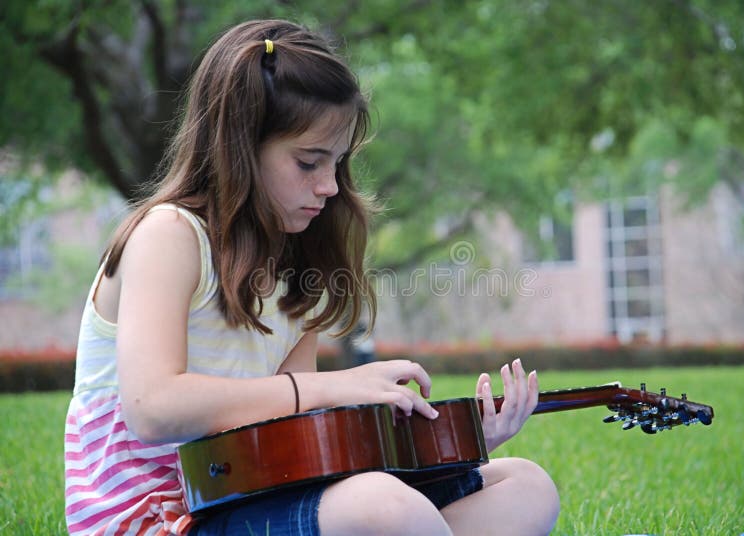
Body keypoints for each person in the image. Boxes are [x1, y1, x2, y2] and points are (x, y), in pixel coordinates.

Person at [64, 19, 559, 536]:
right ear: (239, 146)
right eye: (308, 162)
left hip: (251, 494)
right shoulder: (169, 235)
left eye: (338, 164)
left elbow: (296, 451)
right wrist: (329, 387)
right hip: (156, 518)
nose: (328, 186)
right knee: (385, 508)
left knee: (524, 486)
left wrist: (451, 446)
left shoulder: (295, 267)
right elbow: (153, 408)